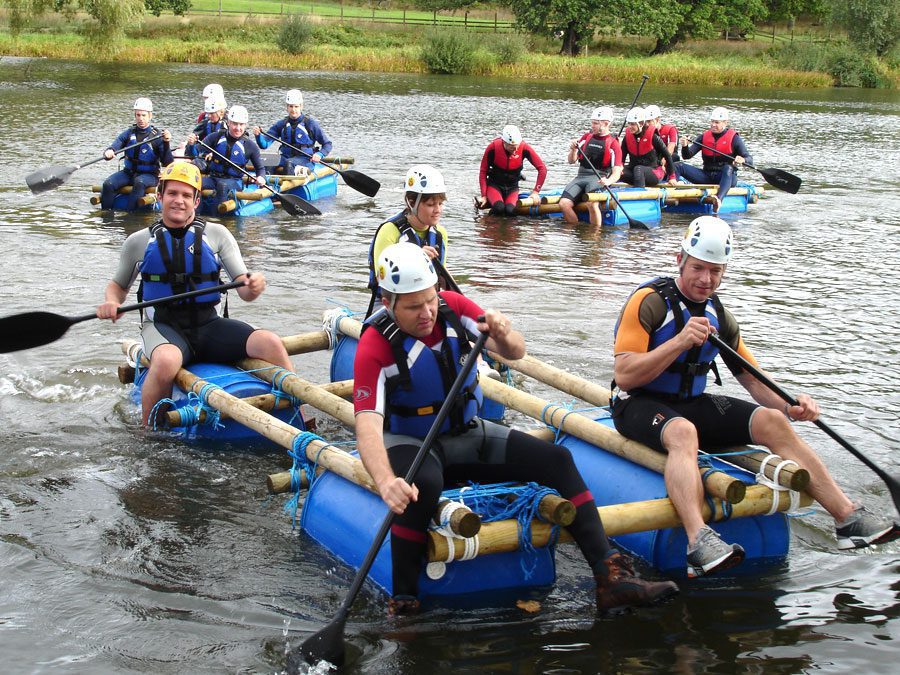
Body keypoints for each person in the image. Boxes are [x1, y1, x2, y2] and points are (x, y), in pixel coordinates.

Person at [354, 242, 679, 614]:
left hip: (467, 432)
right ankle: (406, 601)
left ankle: (610, 577)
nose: (427, 312)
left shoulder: (452, 307)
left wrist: (503, 333)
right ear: (387, 300)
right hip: (411, 441)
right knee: (419, 487)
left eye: (429, 300)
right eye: (413, 306)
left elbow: (516, 352)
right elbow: (367, 426)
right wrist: (385, 481)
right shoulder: (374, 346)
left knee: (557, 459)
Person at [610, 216, 899, 578]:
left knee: (773, 421)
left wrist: (792, 405)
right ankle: (698, 540)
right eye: (698, 268)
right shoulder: (649, 301)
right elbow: (625, 374)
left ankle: (846, 518)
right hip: (636, 404)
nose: (706, 280)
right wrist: (680, 341)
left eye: (715, 271)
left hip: (689, 405)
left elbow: (752, 379)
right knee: (683, 432)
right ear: (679, 260)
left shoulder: (720, 316)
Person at [96, 161, 292, 427]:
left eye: (187, 195)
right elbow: (118, 286)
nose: (179, 201)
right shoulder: (138, 241)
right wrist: (111, 302)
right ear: (160, 195)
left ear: (197, 200)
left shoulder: (217, 234)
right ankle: (147, 432)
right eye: (172, 193)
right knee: (166, 361)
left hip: (208, 325)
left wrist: (253, 286)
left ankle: (296, 414)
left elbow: (243, 289)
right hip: (164, 327)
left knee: (270, 342)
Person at [365, 165, 449, 317]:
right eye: (430, 204)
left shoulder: (440, 234)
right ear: (411, 203)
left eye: (440, 203)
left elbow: (439, 279)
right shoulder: (389, 231)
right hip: (392, 303)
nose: (438, 210)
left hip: (427, 302)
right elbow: (382, 279)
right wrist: (416, 257)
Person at [100, 98, 173, 211]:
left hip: (149, 175)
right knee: (108, 184)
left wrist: (166, 142)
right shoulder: (129, 133)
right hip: (128, 173)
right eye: (138, 115)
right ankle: (106, 214)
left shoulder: (157, 136)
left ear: (150, 116)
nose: (140, 119)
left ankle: (130, 215)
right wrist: (109, 151)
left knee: (140, 182)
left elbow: (167, 162)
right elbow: (116, 144)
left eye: (143, 115)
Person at [675, 107, 752, 214]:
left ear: (725, 123)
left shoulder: (734, 138)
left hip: (726, 177)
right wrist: (684, 146)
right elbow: (687, 156)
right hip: (707, 176)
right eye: (712, 122)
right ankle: (674, 192)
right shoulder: (704, 136)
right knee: (678, 165)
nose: (713, 125)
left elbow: (749, 159)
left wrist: (743, 159)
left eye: (717, 122)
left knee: (728, 168)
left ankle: (718, 200)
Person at [559, 107, 623, 225]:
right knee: (563, 203)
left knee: (592, 203)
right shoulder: (586, 138)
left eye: (595, 123)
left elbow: (617, 172)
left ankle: (595, 237)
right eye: (592, 122)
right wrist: (573, 150)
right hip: (580, 177)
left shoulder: (613, 144)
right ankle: (576, 231)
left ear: (606, 123)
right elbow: (571, 161)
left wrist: (608, 181)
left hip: (598, 178)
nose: (592, 125)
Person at [253, 89, 333, 176]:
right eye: (291, 106)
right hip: (286, 157)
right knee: (269, 164)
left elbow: (327, 144)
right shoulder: (281, 124)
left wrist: (319, 154)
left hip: (306, 159)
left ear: (301, 106)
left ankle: (288, 188)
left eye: (296, 106)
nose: (293, 110)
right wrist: (258, 136)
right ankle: (268, 187)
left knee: (289, 163)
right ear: (287, 107)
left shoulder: (310, 123)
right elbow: (264, 145)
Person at [198, 105, 267, 204]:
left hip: (235, 181)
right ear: (229, 123)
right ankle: (194, 214)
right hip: (213, 178)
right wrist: (191, 145)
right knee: (195, 182)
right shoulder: (215, 137)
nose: (238, 128)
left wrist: (261, 177)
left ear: (245, 125)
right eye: (235, 124)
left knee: (222, 185)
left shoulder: (250, 146)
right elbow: (196, 152)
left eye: (241, 124)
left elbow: (260, 169)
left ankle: (219, 218)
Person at [476, 125, 547, 216]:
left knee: (510, 211)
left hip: (512, 187)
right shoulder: (493, 148)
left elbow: (542, 169)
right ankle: (487, 226)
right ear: (504, 142)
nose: (515, 150)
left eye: (516, 146)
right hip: (495, 185)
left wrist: (536, 192)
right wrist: (484, 196)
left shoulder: (524, 147)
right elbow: (483, 171)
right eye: (512, 147)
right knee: (499, 208)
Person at [620, 107, 676, 189]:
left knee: (638, 169)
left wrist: (672, 177)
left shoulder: (653, 136)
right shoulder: (627, 136)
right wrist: (619, 169)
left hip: (654, 172)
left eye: (632, 124)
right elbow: (622, 158)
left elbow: (667, 156)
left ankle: (638, 195)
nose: (630, 126)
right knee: (616, 171)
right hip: (636, 172)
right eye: (629, 123)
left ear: (641, 124)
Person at [185, 96, 227, 165]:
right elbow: (196, 150)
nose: (209, 116)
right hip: (207, 158)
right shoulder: (206, 123)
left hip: (225, 160)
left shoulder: (230, 124)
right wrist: (191, 144)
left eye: (212, 113)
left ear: (221, 112)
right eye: (208, 113)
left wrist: (215, 154)